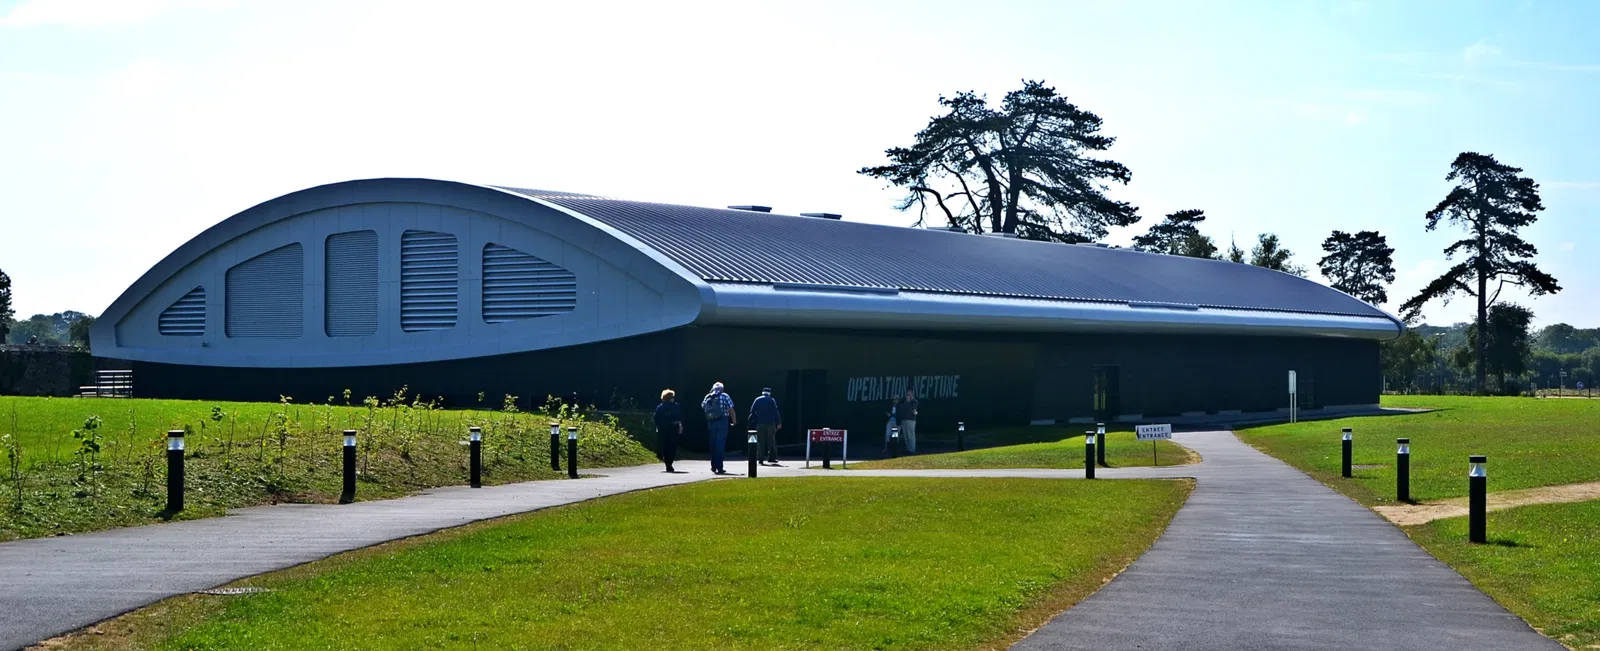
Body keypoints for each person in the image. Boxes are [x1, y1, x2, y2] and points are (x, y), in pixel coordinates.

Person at [700, 382, 736, 474]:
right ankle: (719, 467)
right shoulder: (725, 396)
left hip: (711, 422)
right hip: (722, 421)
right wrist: (734, 420)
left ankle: (713, 466)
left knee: (713, 443)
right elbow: (731, 409)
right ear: (722, 389)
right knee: (720, 443)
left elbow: (703, 406)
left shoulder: (708, 396)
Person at [748, 387, 782, 465]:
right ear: (769, 393)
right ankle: (772, 457)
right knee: (771, 441)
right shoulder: (772, 400)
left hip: (760, 424)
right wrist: (778, 422)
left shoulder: (757, 400)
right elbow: (775, 412)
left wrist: (755, 421)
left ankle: (760, 458)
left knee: (760, 442)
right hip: (770, 423)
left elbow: (752, 411)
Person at [653, 389, 682, 472]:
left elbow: (656, 418)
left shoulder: (660, 407)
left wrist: (659, 426)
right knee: (672, 447)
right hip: (673, 428)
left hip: (662, 429)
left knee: (664, 445)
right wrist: (679, 426)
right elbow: (679, 417)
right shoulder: (675, 406)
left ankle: (665, 460)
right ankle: (669, 463)